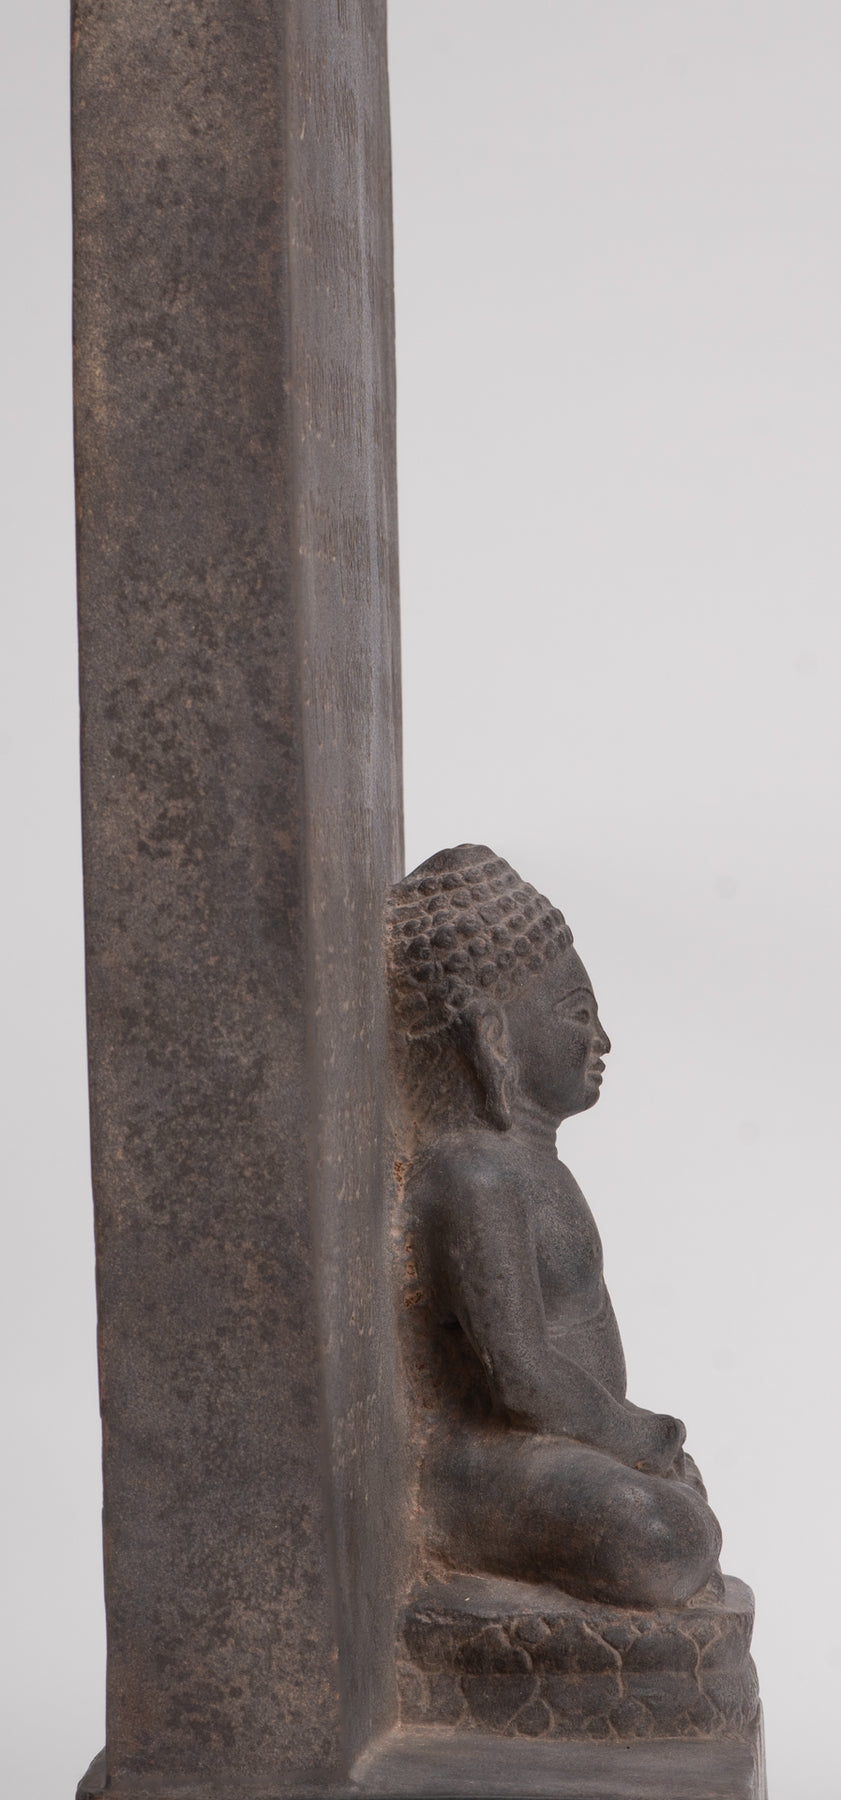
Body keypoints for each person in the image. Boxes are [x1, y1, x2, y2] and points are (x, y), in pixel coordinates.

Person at [388, 844, 722, 1609]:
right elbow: (520, 1374)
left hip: (563, 1444)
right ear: (492, 1035)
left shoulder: (530, 1169)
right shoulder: (475, 1175)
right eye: (577, 1014)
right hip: (478, 1467)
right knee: (660, 1534)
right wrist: (635, 1435)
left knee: (674, 1520)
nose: (600, 1040)